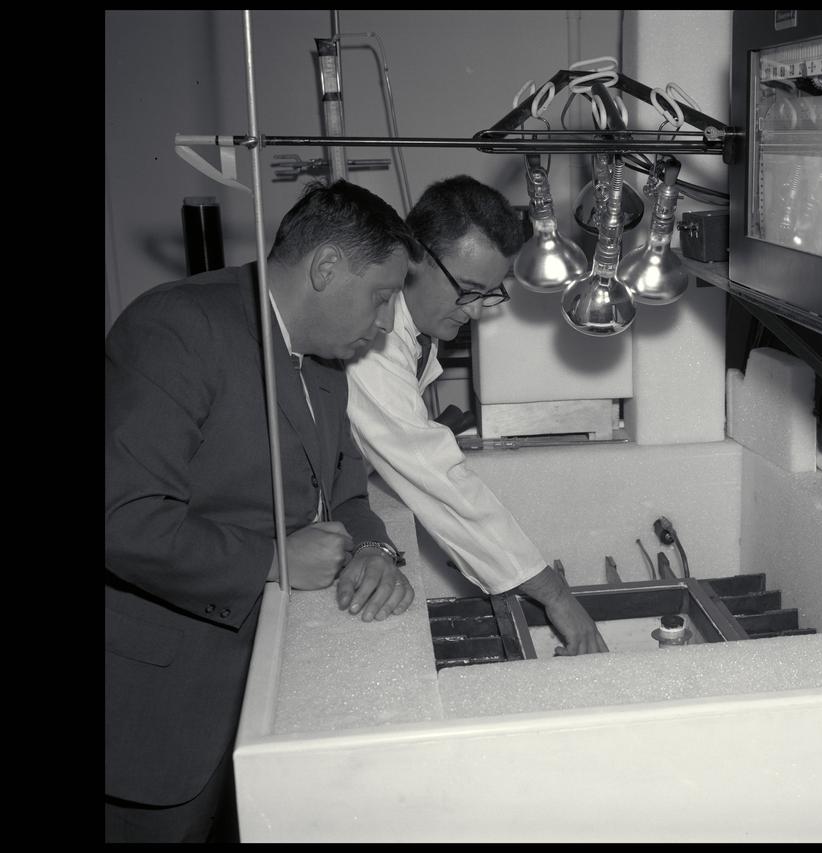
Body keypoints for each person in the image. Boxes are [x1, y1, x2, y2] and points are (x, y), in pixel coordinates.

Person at [105, 179, 425, 842]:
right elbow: (123, 520)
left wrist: (376, 549)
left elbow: (345, 493)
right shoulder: (179, 327)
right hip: (161, 711)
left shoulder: (323, 362)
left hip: (263, 694)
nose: (389, 321)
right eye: (383, 296)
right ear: (327, 267)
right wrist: (276, 559)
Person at [345, 176, 608, 655]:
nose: (479, 313)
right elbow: (433, 472)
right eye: (468, 290)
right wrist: (554, 594)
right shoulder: (371, 343)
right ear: (413, 257)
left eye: (489, 294)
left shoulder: (417, 333)